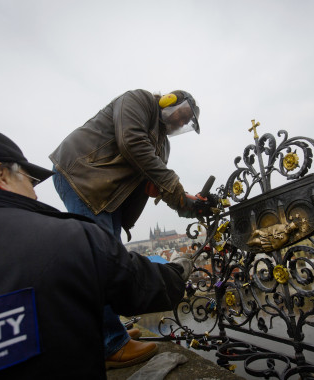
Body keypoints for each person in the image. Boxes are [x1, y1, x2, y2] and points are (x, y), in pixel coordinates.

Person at [0, 127, 192, 379]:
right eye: (30, 181)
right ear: (1, 175)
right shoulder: (69, 238)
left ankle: (108, 336)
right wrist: (179, 269)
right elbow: (146, 287)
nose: (34, 193)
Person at [49, 89, 206, 368]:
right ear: (170, 100)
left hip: (107, 195)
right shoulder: (139, 100)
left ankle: (111, 332)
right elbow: (131, 142)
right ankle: (110, 342)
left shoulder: (163, 145)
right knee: (99, 259)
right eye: (182, 116)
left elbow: (157, 183)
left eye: (185, 123)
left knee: (108, 258)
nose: (180, 123)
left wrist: (189, 204)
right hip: (82, 175)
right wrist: (177, 190)